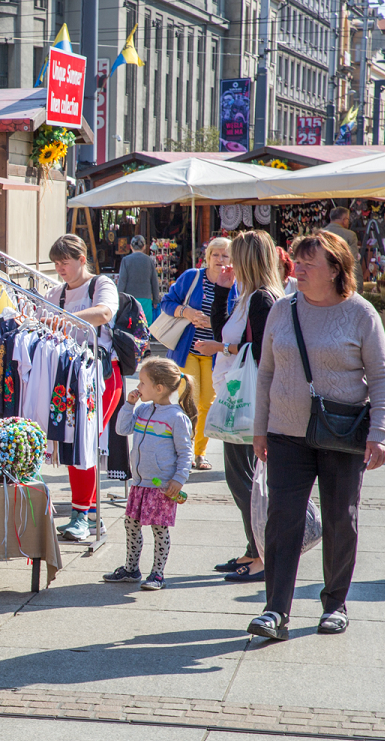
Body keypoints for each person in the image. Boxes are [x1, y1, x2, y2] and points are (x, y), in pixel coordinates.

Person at [249, 231, 385, 641]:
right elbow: (266, 374)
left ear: (335, 269)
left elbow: (382, 377)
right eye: (297, 261)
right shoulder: (282, 309)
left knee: (339, 519)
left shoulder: (361, 313)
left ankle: (335, 604)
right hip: (285, 434)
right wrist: (260, 429)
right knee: (283, 520)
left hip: (343, 433)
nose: (299, 269)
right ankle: (275, 610)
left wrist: (380, 432)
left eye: (310, 263)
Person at [208, 231, 285, 583]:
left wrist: (222, 351)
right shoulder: (248, 296)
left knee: (245, 483)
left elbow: (259, 354)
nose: (228, 263)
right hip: (237, 396)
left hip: (250, 401)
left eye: (234, 257)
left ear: (248, 260)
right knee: (240, 479)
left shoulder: (262, 299)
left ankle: (261, 555)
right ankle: (252, 549)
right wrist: (222, 292)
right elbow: (224, 332)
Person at [46, 235, 122, 541]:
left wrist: (64, 320)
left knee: (86, 441)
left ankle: (84, 515)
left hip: (103, 376)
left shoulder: (100, 284)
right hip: (70, 377)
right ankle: (88, 515)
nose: (59, 269)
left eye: (64, 263)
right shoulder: (55, 292)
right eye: (56, 264)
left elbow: (104, 312)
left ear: (81, 260)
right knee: (72, 441)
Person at [103, 357, 195, 590]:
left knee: (159, 529)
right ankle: (131, 569)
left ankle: (157, 575)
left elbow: (186, 453)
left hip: (162, 486)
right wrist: (128, 405)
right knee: (131, 525)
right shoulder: (143, 408)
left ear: (159, 388)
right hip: (140, 483)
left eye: (142, 382)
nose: (138, 386)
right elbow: (122, 429)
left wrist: (179, 479)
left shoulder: (176, 418)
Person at [159, 236, 238, 471]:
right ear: (208, 257)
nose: (220, 260)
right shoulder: (192, 277)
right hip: (188, 351)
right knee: (189, 402)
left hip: (215, 353)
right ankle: (183, 450)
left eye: (225, 255)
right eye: (216, 255)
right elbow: (166, 302)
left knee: (208, 404)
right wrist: (187, 313)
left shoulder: (236, 283)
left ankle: (199, 453)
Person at [117, 235, 162, 323]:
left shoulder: (125, 260)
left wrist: (118, 299)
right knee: (145, 328)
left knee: (131, 326)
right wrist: (156, 300)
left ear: (130, 247)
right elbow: (154, 282)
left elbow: (122, 281)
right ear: (144, 247)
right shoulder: (149, 261)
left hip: (129, 301)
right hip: (146, 299)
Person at [321, 206, 362, 285]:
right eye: (348, 219)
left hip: (323, 277)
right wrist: (358, 283)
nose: (348, 222)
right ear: (344, 220)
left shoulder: (320, 234)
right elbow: (353, 261)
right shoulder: (350, 235)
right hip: (342, 279)